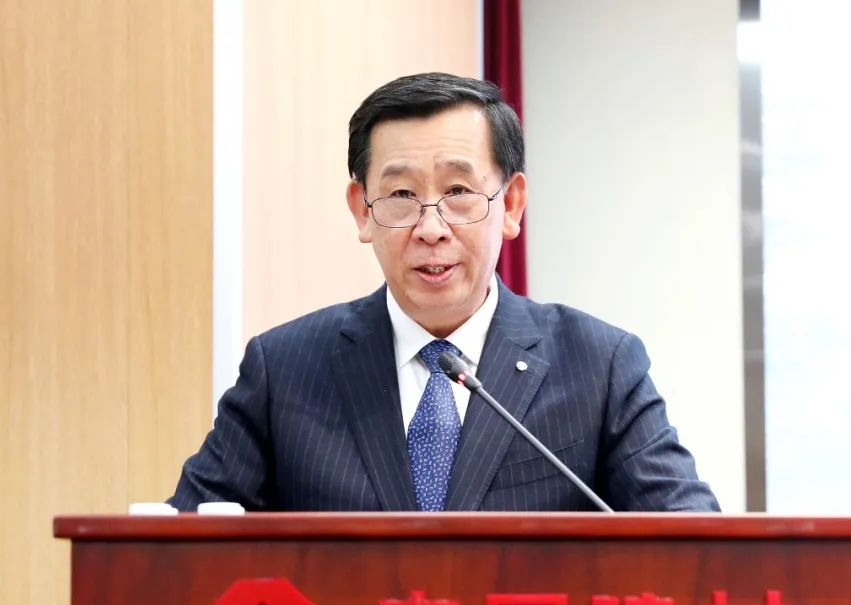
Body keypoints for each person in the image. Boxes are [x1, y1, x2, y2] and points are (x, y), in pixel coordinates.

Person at [169, 72, 719, 513]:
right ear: (362, 211)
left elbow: (695, 547)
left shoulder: (599, 366)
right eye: (401, 195)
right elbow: (179, 553)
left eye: (458, 191)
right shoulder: (284, 370)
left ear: (511, 205)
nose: (431, 228)